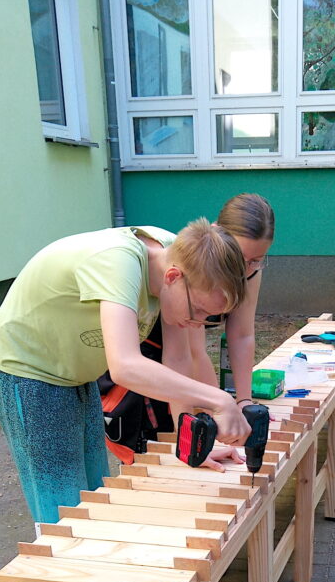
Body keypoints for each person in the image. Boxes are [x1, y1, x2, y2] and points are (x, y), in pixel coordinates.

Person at [0, 218, 251, 582]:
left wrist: (192, 441)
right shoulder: (119, 265)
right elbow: (126, 365)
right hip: (29, 371)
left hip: (73, 371)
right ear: (174, 278)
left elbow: (176, 363)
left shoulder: (177, 259)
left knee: (92, 497)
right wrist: (219, 400)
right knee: (62, 509)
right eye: (198, 313)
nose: (197, 325)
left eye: (208, 320)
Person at [98, 193, 275, 468]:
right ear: (218, 235)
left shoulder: (249, 270)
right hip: (146, 357)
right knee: (149, 447)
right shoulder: (187, 268)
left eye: (256, 260)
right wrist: (214, 412)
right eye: (241, 258)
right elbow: (189, 354)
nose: (244, 269)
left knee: (188, 432)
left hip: (169, 360)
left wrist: (243, 403)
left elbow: (241, 335)